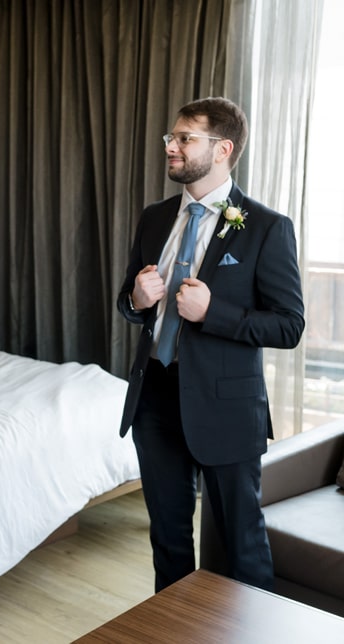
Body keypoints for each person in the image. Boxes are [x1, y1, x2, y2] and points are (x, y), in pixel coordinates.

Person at [117, 97, 304, 592]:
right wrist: (136, 299)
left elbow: (289, 326)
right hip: (155, 401)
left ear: (222, 149)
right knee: (168, 543)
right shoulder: (155, 217)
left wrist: (213, 313)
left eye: (184, 139)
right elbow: (129, 303)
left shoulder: (266, 227)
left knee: (241, 544)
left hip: (226, 410)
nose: (170, 148)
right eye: (170, 138)